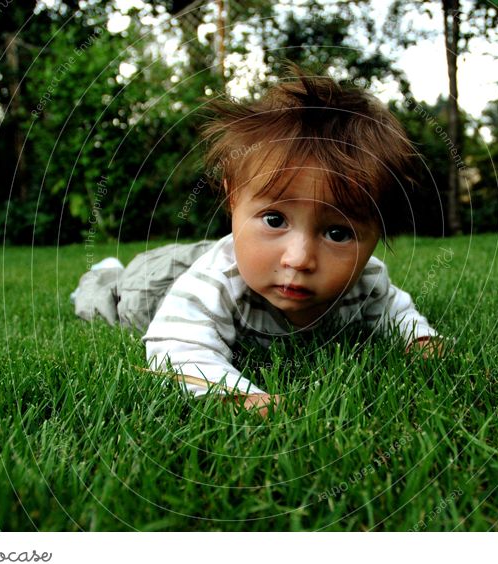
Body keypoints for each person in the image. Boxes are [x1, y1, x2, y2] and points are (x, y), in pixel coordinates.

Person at [139, 65, 445, 415]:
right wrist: (240, 398)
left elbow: (395, 309)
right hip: (156, 280)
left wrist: (420, 339)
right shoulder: (214, 283)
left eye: (337, 233)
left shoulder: (367, 282)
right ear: (233, 197)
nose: (299, 259)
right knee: (114, 292)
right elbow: (178, 346)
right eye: (275, 220)